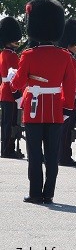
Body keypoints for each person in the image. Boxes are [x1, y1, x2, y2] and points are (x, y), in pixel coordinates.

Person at [9, 0, 76, 204]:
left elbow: (17, 84)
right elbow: (71, 86)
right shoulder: (65, 57)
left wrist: (13, 77)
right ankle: (49, 193)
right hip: (56, 109)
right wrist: (67, 108)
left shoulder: (28, 55)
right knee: (52, 154)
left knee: (35, 154)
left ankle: (35, 193)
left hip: (33, 109)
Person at [56, 18, 76, 166]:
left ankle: (65, 155)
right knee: (65, 131)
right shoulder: (66, 57)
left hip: (71, 97)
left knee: (67, 131)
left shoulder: (70, 57)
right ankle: (63, 156)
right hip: (67, 98)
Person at [0, 16, 23, 159]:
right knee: (11, 123)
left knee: (8, 122)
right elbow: (12, 77)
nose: (16, 41)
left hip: (5, 91)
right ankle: (8, 148)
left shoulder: (4, 54)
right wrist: (17, 94)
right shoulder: (11, 56)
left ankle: (7, 147)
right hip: (10, 92)